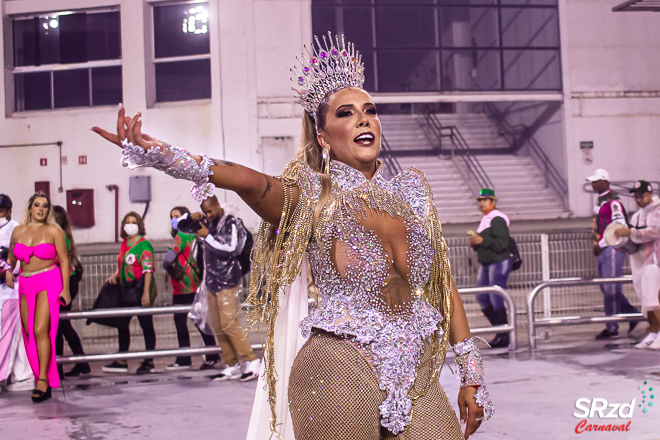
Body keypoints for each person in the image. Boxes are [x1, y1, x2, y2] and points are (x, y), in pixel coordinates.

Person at [93, 33, 493, 440]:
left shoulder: (412, 193)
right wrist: (161, 154)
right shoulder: (315, 196)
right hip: (340, 368)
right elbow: (249, 181)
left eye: (369, 110)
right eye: (346, 113)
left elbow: (444, 286)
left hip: (417, 372)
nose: (363, 119)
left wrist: (470, 372)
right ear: (323, 137)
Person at [5, 192, 70, 402]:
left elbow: (65, 261)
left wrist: (66, 289)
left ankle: (43, 379)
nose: (41, 209)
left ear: (48, 210)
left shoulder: (54, 231)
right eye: (37, 205)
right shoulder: (18, 230)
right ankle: (39, 375)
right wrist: (8, 269)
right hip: (25, 282)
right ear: (30, 208)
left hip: (48, 280)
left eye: (45, 206)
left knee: (41, 329)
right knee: (28, 332)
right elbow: (11, 257)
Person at [190, 196, 260, 382]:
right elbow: (188, 234)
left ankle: (252, 361)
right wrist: (192, 221)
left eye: (210, 211)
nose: (208, 215)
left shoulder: (232, 222)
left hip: (228, 280)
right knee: (218, 325)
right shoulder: (207, 222)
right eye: (205, 212)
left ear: (217, 206)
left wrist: (208, 236)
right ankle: (232, 365)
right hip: (211, 281)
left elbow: (231, 248)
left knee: (229, 323)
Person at [164, 206, 221, 370]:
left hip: (184, 286)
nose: (174, 219)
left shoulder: (181, 235)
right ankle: (211, 355)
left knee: (181, 322)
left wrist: (169, 267)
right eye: (172, 216)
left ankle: (184, 359)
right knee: (199, 320)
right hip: (194, 283)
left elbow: (168, 259)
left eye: (177, 216)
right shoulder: (194, 234)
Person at [102, 212, 157, 375]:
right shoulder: (125, 244)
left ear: (139, 225)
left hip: (140, 290)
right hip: (125, 290)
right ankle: (122, 360)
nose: (130, 225)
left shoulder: (144, 246)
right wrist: (115, 275)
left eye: (134, 222)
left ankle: (149, 360)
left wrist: (146, 293)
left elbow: (148, 270)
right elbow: (123, 265)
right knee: (122, 324)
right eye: (128, 222)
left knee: (146, 325)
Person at [588, 169, 639, 339]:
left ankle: (612, 327)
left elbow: (619, 226)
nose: (592, 184)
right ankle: (632, 313)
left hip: (611, 248)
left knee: (611, 287)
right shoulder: (602, 201)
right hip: (605, 248)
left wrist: (601, 244)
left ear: (605, 181)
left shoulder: (613, 201)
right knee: (607, 287)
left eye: (596, 181)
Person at [613, 180, 660, 349]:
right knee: (646, 301)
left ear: (649, 193)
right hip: (641, 261)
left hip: (656, 261)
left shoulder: (657, 211)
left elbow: (653, 232)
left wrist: (630, 232)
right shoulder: (637, 215)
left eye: (641, 195)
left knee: (655, 299)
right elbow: (634, 238)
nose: (638, 199)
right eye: (635, 196)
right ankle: (653, 334)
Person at [468, 188, 512, 349]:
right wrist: (476, 243)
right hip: (488, 263)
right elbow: (487, 243)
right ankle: (502, 331)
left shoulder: (497, 219)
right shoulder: (486, 219)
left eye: (485, 200)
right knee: (482, 297)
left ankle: (504, 334)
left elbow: (502, 243)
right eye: (480, 200)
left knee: (495, 297)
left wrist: (481, 241)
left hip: (498, 261)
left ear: (493, 202)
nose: (481, 203)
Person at [52, 206, 90, 377]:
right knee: (61, 325)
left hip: (64, 283)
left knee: (60, 324)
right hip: (65, 282)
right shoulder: (62, 235)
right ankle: (79, 364)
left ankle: (62, 367)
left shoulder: (59, 237)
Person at [0, 194, 32, 391]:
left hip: (11, 288)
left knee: (9, 333)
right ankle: (17, 375)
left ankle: (3, 374)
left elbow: (20, 259)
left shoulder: (16, 229)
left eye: (2, 209)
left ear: (9, 210)